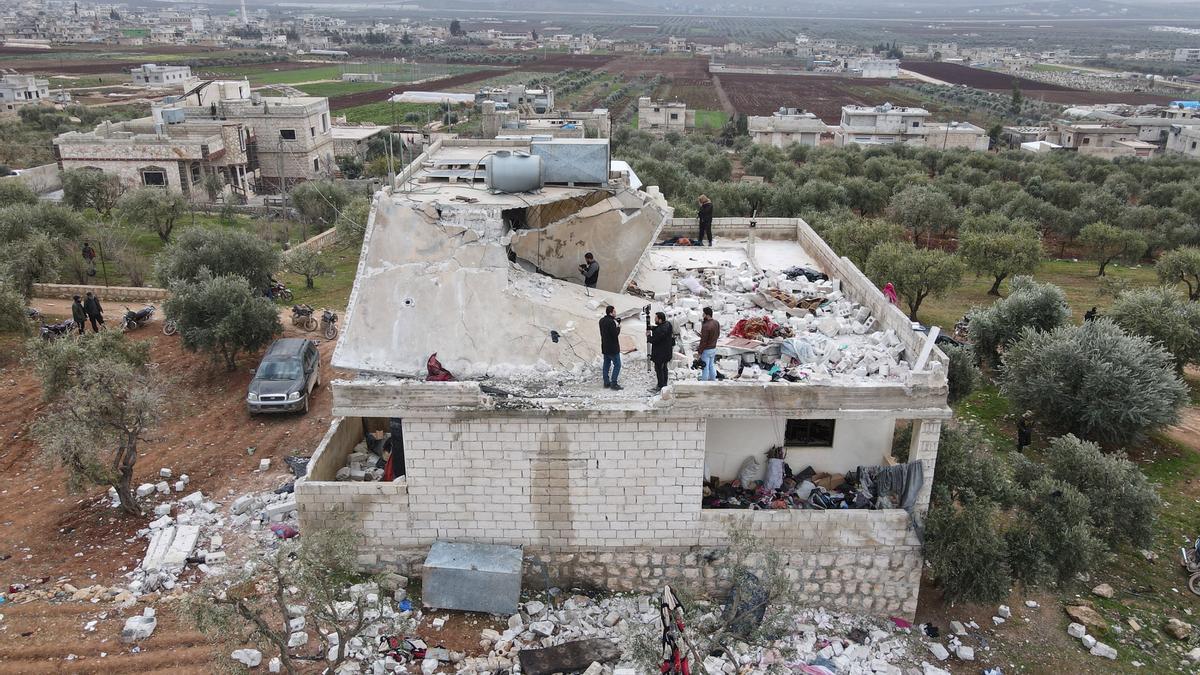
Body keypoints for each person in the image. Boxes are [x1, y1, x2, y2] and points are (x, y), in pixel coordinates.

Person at [648, 311, 674, 391]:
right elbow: (659, 328)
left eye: (656, 318)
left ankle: (660, 386)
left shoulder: (660, 330)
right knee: (664, 368)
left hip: (660, 354)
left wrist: (648, 336)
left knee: (659, 369)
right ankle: (664, 384)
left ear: (660, 320)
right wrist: (652, 328)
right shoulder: (668, 324)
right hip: (667, 352)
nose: (655, 320)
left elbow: (654, 340)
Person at [599, 305, 622, 390]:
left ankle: (606, 382)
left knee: (606, 364)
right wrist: (618, 327)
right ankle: (614, 383)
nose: (615, 313)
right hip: (613, 348)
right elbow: (614, 334)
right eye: (614, 312)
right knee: (617, 365)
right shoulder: (611, 322)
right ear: (611, 312)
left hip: (605, 347)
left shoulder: (601, 321)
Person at [698, 306, 719, 381]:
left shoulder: (706, 325)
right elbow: (717, 334)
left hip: (706, 350)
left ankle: (704, 384)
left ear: (707, 315)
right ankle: (713, 380)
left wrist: (699, 352)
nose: (702, 315)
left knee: (705, 368)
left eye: (703, 314)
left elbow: (703, 341)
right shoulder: (716, 323)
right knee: (711, 366)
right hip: (713, 348)